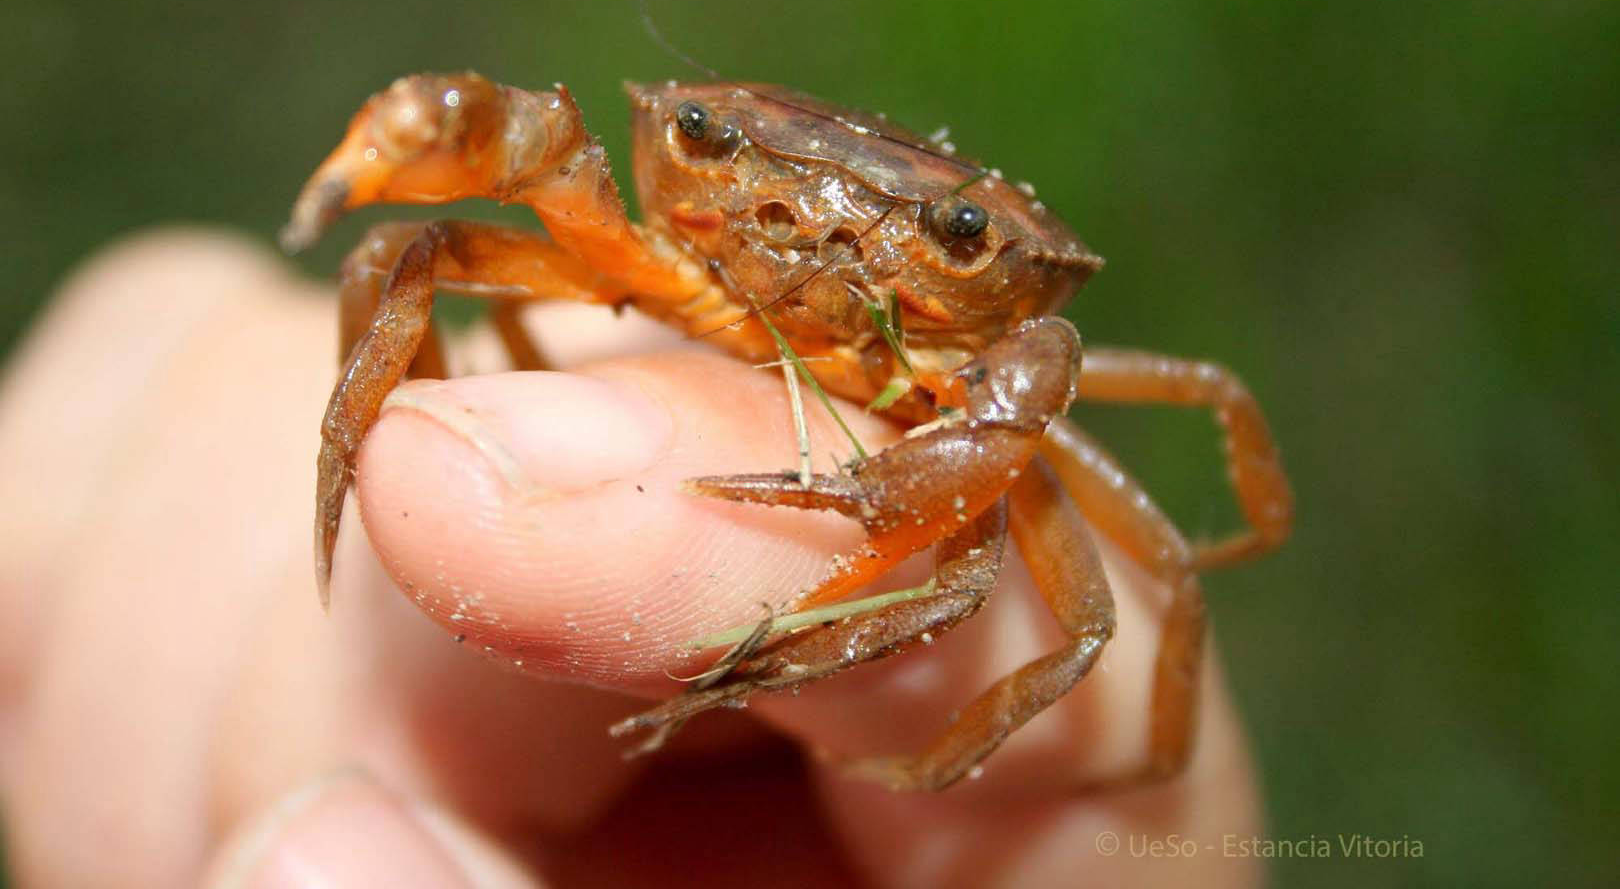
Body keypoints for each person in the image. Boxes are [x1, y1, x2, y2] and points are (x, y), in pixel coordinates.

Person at [0, 231, 1263, 887]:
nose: (820, 255)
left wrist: (1148, 804)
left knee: (1078, 611)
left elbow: (1201, 426)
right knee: (413, 256)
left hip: (948, 439)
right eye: (718, 150)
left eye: (953, 239)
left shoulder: (1014, 380)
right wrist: (436, 436)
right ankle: (420, 450)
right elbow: (432, 234)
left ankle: (950, 757)